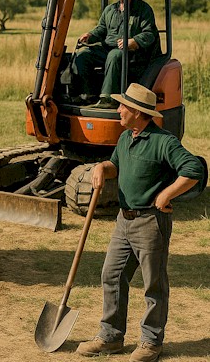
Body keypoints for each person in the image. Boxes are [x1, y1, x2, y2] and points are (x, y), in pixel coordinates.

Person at [77, 83, 206, 362]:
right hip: (123, 221)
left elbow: (194, 169)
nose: (119, 110)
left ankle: (151, 342)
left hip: (151, 222)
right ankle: (111, 337)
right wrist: (101, 167)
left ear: (137, 111)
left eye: (123, 106)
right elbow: (115, 165)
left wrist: (167, 193)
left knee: (153, 285)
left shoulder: (164, 141)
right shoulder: (126, 138)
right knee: (111, 275)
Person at [73, 0, 159, 108]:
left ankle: (109, 99)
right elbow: (101, 29)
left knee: (114, 55)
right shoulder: (110, 10)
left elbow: (149, 34)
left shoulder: (143, 9)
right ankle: (87, 94)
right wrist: (90, 35)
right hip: (107, 49)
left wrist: (134, 41)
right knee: (83, 55)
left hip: (131, 53)